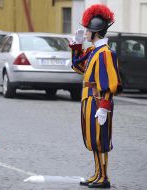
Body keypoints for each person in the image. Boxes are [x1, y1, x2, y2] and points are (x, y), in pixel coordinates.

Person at [69, 4, 121, 188]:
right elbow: (77, 67)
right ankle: (97, 174)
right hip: (88, 100)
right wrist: (76, 46)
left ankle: (104, 178)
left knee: (101, 141)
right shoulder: (93, 52)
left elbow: (111, 83)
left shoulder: (106, 53)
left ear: (95, 32)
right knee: (92, 139)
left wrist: (104, 107)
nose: (85, 33)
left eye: (87, 30)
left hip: (98, 101)